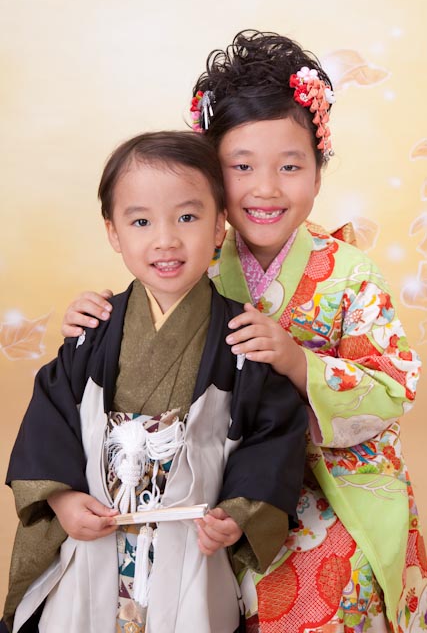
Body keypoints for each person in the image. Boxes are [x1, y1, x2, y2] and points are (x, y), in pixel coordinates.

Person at [60, 31, 427, 632]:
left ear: (318, 172)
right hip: (212, 481)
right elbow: (143, 337)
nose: (266, 188)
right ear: (210, 175)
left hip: (330, 484)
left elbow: (393, 388)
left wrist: (298, 362)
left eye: (291, 166)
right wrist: (95, 319)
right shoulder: (193, 258)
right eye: (241, 166)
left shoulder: (350, 273)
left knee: (334, 576)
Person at [1, 131, 309, 633]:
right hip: (95, 534)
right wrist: (61, 499)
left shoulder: (240, 338)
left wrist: (240, 512)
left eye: (187, 217)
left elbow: (273, 432)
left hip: (190, 541)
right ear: (113, 233)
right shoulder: (93, 332)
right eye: (141, 221)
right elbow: (49, 423)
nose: (165, 239)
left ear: (219, 226)